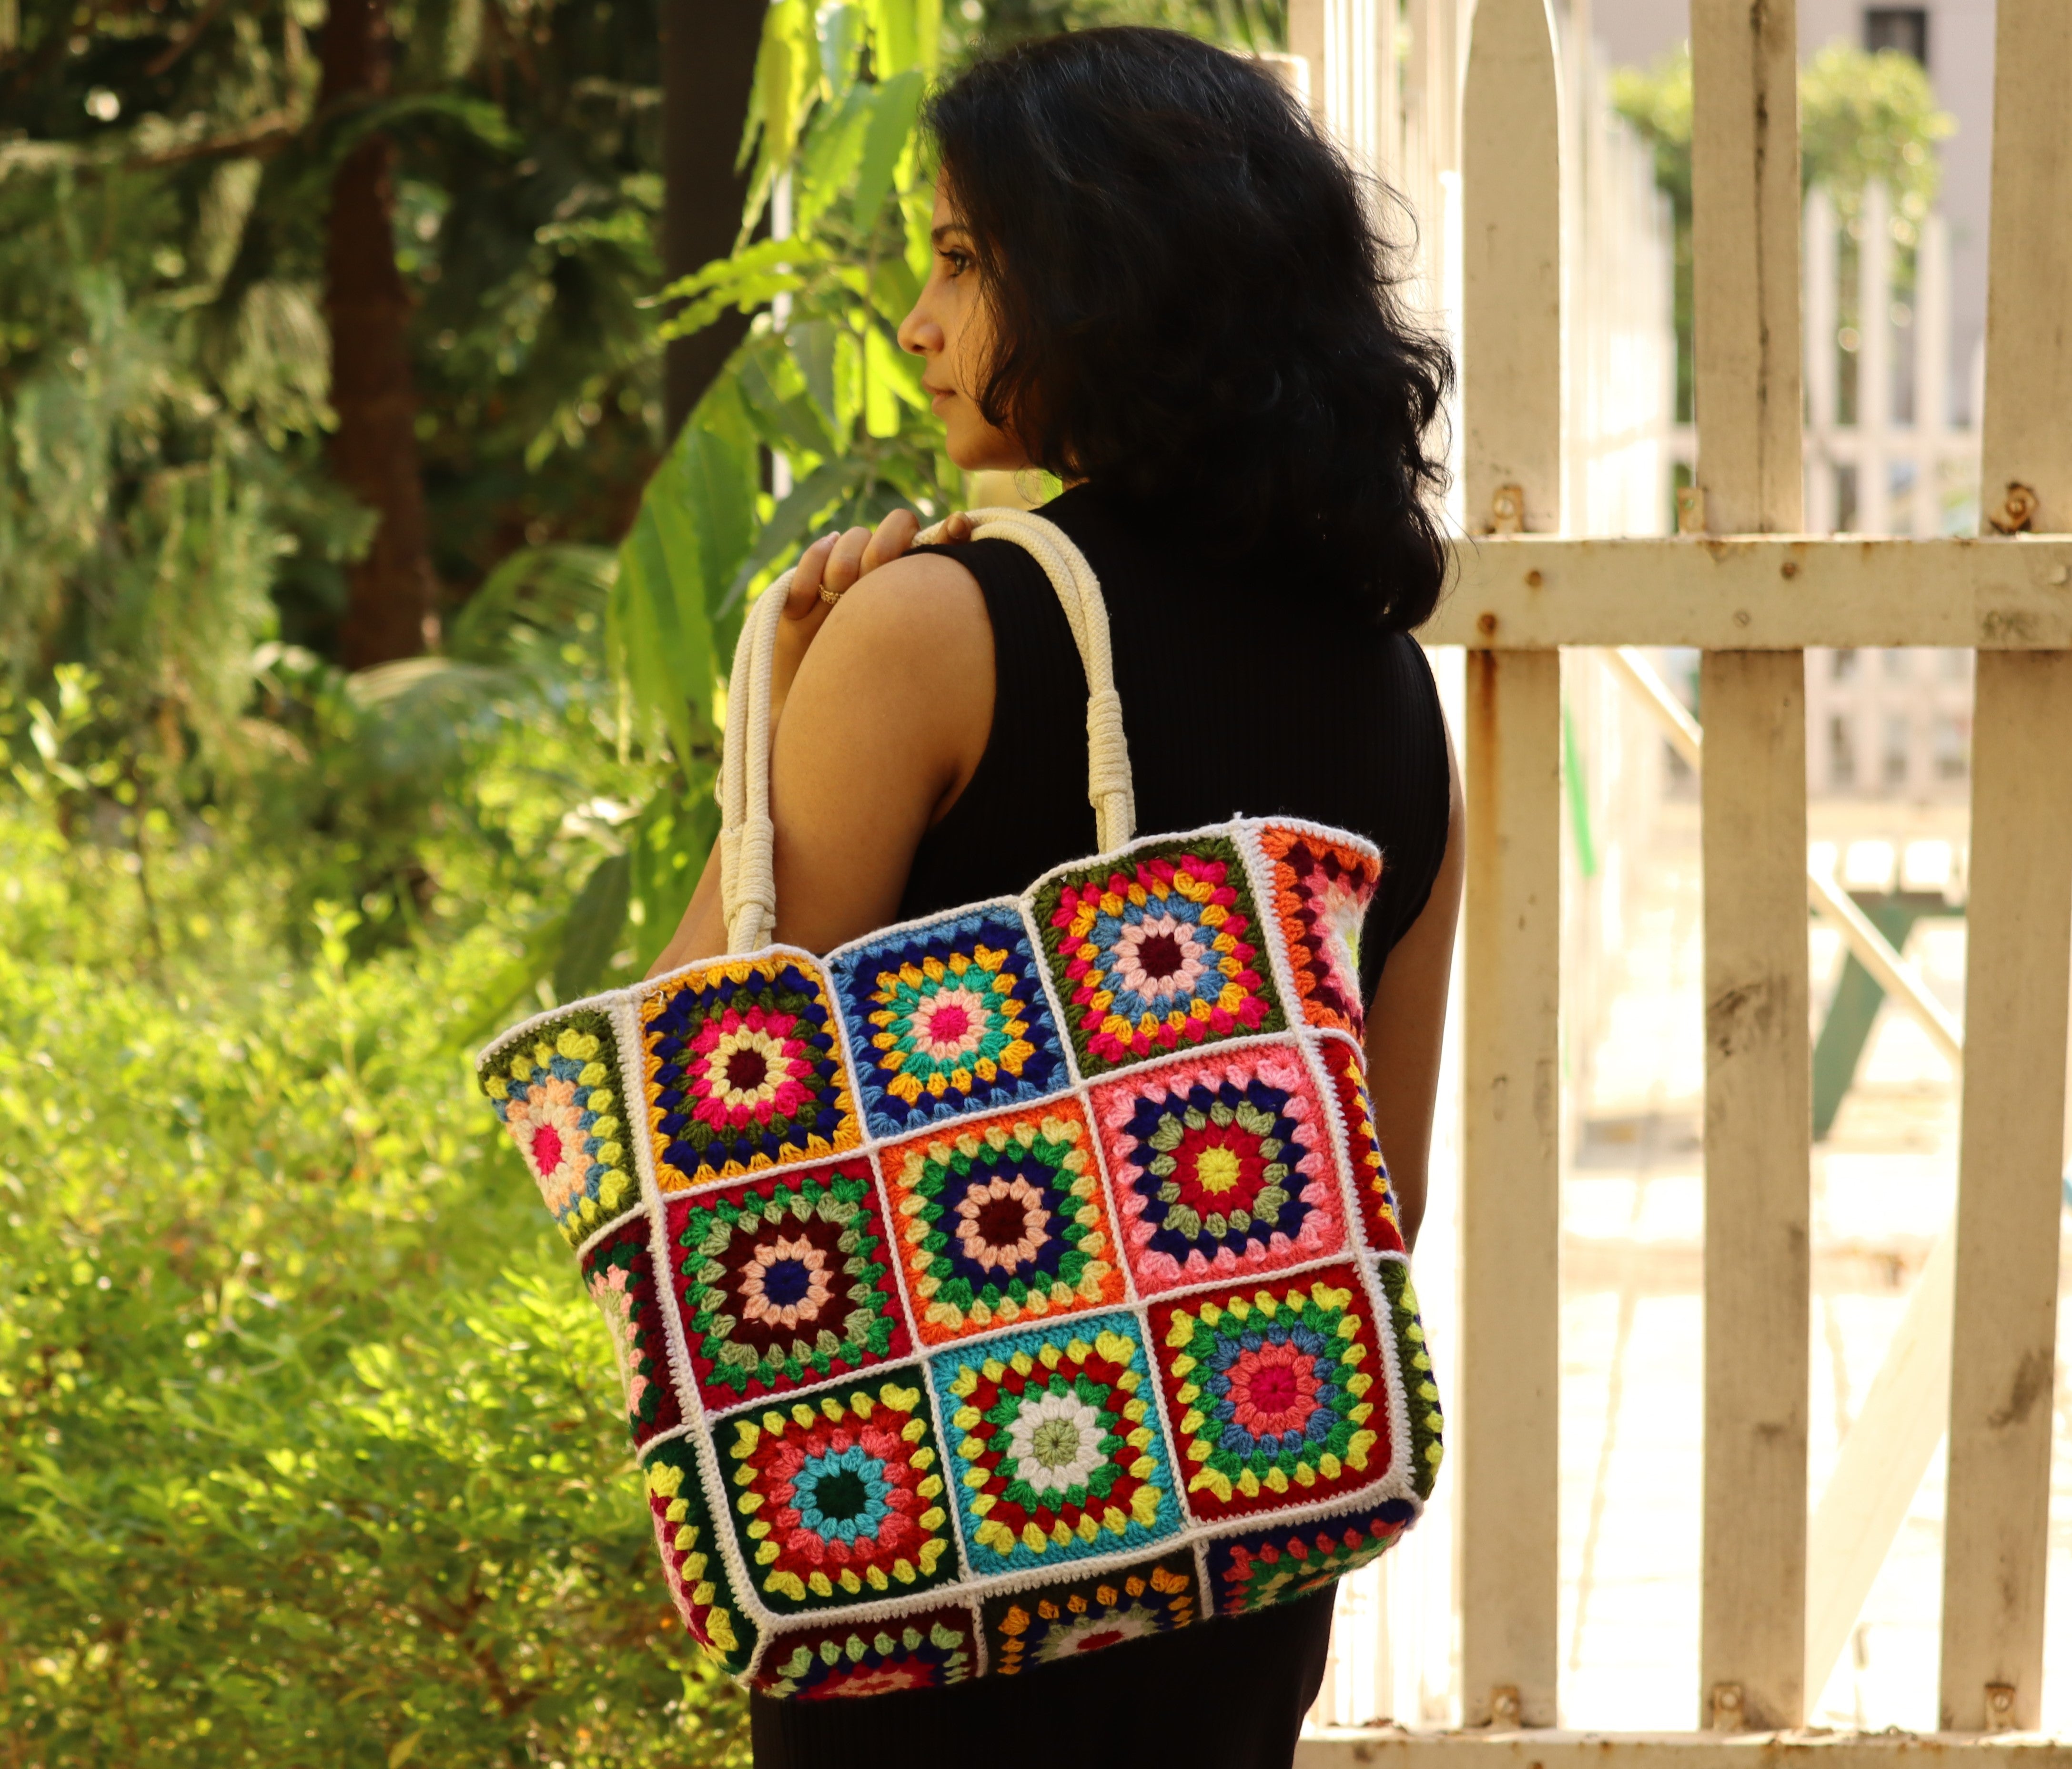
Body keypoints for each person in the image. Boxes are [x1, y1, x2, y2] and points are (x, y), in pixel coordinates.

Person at [648, 25, 1463, 1769]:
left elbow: (682, 1110)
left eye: (960, 259)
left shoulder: (936, 632)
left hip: (935, 1570)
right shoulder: (1393, 689)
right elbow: (1370, 1196)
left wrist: (788, 710)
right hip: (1242, 1563)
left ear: (1112, 277)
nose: (920, 326)